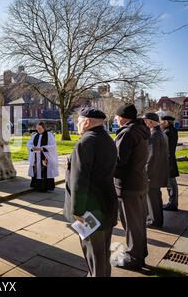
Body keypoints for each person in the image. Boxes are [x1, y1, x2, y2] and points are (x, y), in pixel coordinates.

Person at [64, 107, 118, 277]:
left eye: (79, 121)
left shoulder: (86, 142)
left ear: (86, 122)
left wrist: (78, 210)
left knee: (93, 254)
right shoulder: (108, 139)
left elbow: (79, 180)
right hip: (106, 203)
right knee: (102, 253)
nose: (77, 124)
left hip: (90, 209)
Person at [111, 104, 150, 270]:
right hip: (139, 182)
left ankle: (133, 258)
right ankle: (140, 254)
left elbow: (118, 162)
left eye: (116, 116)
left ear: (123, 117)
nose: (115, 119)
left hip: (128, 185)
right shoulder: (141, 130)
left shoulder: (127, 133)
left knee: (131, 224)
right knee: (138, 223)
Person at [142, 113, 169, 228]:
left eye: (145, 122)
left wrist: (146, 174)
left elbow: (152, 157)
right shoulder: (160, 133)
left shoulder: (154, 134)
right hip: (158, 172)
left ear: (151, 122)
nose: (144, 124)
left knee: (153, 198)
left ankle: (154, 221)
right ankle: (156, 220)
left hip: (153, 173)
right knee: (155, 198)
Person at [26, 121, 59, 192]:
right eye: (37, 128)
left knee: (44, 171)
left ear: (44, 128)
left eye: (40, 128)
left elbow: (53, 146)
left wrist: (43, 148)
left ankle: (45, 187)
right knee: (36, 171)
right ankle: (36, 186)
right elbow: (29, 144)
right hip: (36, 157)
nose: (38, 130)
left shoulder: (49, 135)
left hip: (44, 157)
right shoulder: (35, 136)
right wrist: (32, 148)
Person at [160, 115, 180, 211]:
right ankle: (173, 203)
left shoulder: (166, 132)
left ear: (166, 122)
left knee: (170, 184)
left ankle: (172, 204)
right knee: (172, 183)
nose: (160, 123)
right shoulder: (173, 130)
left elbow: (164, 148)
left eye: (162, 121)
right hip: (171, 159)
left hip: (167, 161)